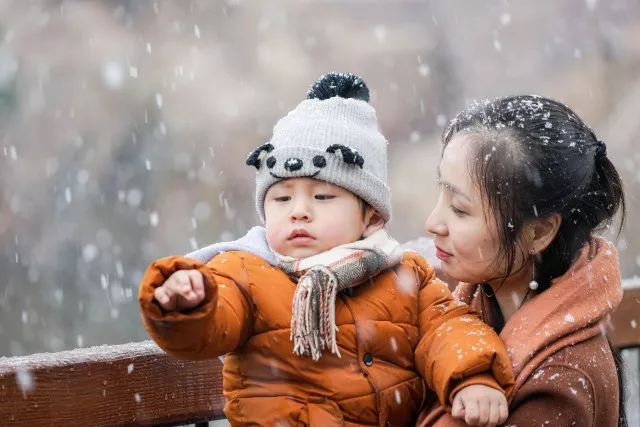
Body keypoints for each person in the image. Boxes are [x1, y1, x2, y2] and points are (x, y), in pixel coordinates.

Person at [138, 73, 515, 426]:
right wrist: (188, 302)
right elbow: (213, 325)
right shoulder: (245, 273)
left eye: (322, 196)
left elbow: (447, 329)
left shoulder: (405, 275)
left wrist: (472, 377)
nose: (299, 211)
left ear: (370, 217)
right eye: (282, 199)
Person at [419, 95, 628, 426]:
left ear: (538, 233)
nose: (433, 222)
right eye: (441, 193)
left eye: (459, 208)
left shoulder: (558, 378)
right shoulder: (465, 304)